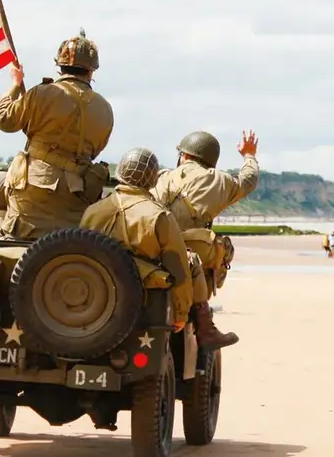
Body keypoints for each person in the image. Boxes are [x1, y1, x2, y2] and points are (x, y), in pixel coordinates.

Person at [82, 148, 237, 351]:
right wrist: (181, 314)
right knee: (192, 260)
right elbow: (179, 268)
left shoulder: (92, 211)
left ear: (120, 172)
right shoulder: (159, 216)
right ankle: (205, 329)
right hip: (145, 296)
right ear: (152, 180)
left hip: (90, 294)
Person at [0, 30, 114, 240]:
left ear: (60, 68)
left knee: (14, 246)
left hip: (31, 196)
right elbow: (94, 151)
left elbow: (5, 120)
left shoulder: (42, 93)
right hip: (77, 198)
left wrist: (16, 85)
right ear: (90, 72)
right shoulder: (105, 109)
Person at [151, 130, 260, 294]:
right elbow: (248, 180)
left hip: (153, 251)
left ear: (185, 156)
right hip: (192, 257)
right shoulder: (219, 180)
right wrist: (249, 155)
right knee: (223, 248)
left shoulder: (161, 177)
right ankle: (201, 309)